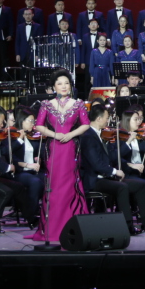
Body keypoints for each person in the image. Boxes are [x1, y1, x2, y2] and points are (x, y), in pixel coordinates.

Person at [27, 72, 92, 244]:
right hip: (54, 149)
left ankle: (73, 226)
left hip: (70, 149)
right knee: (53, 187)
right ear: (54, 87)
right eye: (60, 83)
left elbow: (86, 124)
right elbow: (38, 125)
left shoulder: (78, 104)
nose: (63, 86)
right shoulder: (46, 105)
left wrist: (71, 134)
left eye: (66, 83)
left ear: (70, 86)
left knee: (70, 186)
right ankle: (51, 230)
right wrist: (55, 135)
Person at [79, 102, 145, 234]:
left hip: (105, 177)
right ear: (99, 119)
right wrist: (115, 171)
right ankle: (127, 226)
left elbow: (110, 157)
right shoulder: (88, 137)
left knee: (141, 185)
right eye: (106, 118)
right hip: (95, 180)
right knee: (122, 187)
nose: (108, 121)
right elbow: (96, 164)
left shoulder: (100, 134)